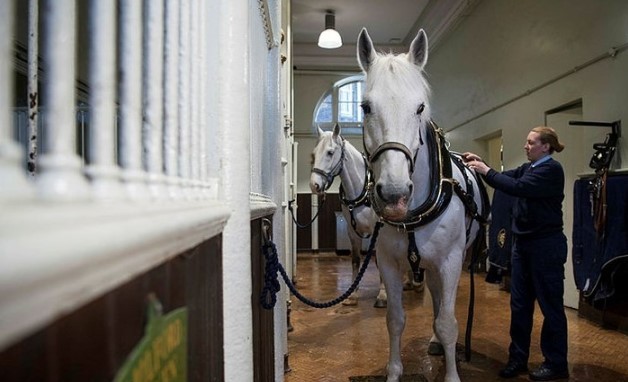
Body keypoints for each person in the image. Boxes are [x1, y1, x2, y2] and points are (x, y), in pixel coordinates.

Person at [463, 126, 569, 381]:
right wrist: (480, 164)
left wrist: (485, 170)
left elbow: (517, 187)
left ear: (546, 146)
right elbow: (503, 179)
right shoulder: (529, 167)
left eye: (531, 143)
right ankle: (518, 359)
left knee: (550, 307)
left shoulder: (551, 170)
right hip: (523, 246)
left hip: (546, 246)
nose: (526, 146)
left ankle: (556, 364)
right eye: (527, 142)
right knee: (519, 306)